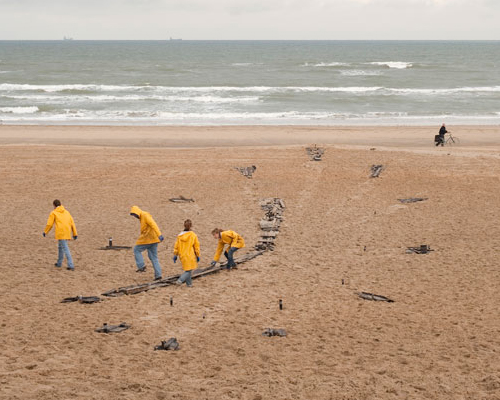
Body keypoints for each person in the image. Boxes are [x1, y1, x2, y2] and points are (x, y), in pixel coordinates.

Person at [130, 206, 164, 280]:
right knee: (154, 257)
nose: (135, 217)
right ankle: (158, 275)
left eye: (135, 215)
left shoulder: (144, 215)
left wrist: (160, 234)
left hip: (148, 239)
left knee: (136, 250)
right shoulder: (142, 216)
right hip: (154, 240)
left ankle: (141, 266)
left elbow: (153, 224)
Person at [43, 199, 78, 271]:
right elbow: (72, 223)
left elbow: (50, 224)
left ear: (54, 205)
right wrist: (74, 233)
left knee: (65, 248)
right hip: (67, 231)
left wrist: (45, 231)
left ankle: (71, 265)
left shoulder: (53, 213)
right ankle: (59, 262)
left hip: (61, 232)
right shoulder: (67, 212)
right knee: (60, 247)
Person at [173, 219, 200, 287]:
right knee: (189, 270)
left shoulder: (180, 236)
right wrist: (197, 255)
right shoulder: (193, 235)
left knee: (188, 269)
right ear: (191, 226)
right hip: (190, 254)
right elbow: (196, 246)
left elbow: (176, 246)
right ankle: (180, 280)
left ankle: (189, 284)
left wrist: (175, 254)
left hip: (182, 255)